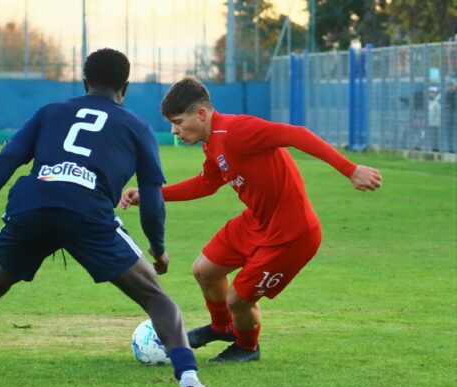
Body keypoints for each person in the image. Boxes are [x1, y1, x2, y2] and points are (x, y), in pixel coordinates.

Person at [0, 50, 215, 387]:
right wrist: (158, 249)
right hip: (88, 212)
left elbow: (7, 159)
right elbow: (152, 201)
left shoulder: (50, 112)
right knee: (155, 297)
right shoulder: (137, 127)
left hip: (32, 203)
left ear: (84, 82)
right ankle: (190, 382)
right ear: (125, 87)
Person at [120, 77, 382, 362]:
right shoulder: (212, 142)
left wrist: (351, 169)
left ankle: (247, 346)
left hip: (292, 235)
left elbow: (297, 134)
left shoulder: (238, 130)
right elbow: (206, 184)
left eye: (179, 122)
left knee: (238, 299)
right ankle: (222, 328)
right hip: (256, 221)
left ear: (201, 114)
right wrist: (152, 195)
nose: (174, 130)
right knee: (204, 270)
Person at [427, 86, 441, 151]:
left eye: (433, 92)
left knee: (436, 137)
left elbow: (437, 113)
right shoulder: (429, 101)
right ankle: (433, 148)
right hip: (430, 122)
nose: (431, 93)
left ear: (436, 93)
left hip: (436, 123)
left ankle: (436, 149)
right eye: (430, 92)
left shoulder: (438, 101)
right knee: (431, 137)